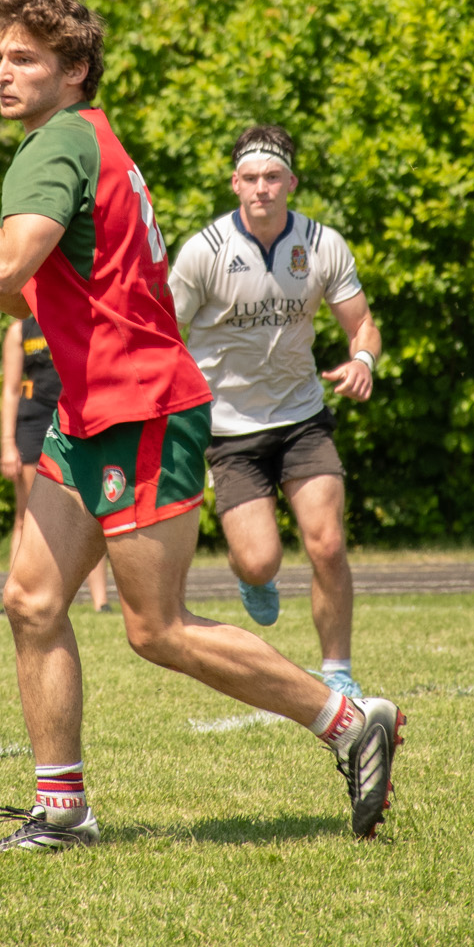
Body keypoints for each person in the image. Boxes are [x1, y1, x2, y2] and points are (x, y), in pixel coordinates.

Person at [0, 0, 402, 850]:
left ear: (74, 69)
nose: (2, 72)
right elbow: (26, 297)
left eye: (24, 58)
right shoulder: (79, 139)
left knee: (157, 628)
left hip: (140, 406)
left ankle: (347, 719)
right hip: (90, 407)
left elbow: (1, 268)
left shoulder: (55, 147)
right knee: (31, 599)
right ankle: (62, 810)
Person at [167, 125, 382, 698]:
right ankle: (250, 576)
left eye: (273, 178)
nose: (262, 188)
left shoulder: (321, 244)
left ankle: (338, 671)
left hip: (302, 417)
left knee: (328, 544)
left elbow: (361, 324)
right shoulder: (204, 252)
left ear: (290, 182)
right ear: (235, 184)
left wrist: (362, 359)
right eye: (251, 179)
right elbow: (164, 330)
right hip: (229, 428)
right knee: (260, 561)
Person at [0, 315, 109, 612]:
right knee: (25, 515)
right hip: (32, 424)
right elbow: (10, 390)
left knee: (91, 510)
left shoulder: (73, 315)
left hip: (73, 417)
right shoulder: (19, 330)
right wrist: (7, 444)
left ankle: (101, 602)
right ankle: (14, 593)